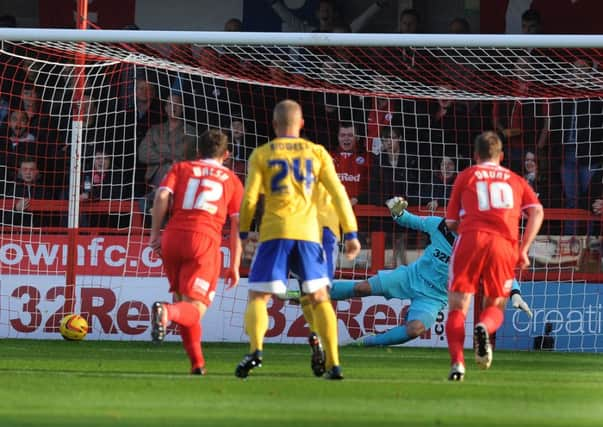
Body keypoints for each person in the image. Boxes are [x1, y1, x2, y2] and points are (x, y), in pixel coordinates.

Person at [235, 99, 361, 380]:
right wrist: (351, 232)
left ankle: (255, 350)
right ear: (302, 124)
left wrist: (243, 233)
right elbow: (340, 194)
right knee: (320, 298)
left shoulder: (262, 154)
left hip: (275, 232)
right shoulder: (317, 153)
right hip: (309, 233)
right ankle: (334, 364)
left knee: (258, 295)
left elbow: (250, 199)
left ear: (274, 124)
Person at [330, 197, 533, 347]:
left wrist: (515, 294)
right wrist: (397, 210)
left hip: (435, 297)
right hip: (410, 277)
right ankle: (314, 292)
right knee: (362, 287)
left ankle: (363, 344)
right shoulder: (440, 225)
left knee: (415, 329)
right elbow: (409, 220)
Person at [445, 131, 544, 381]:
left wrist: (469, 230)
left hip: (471, 239)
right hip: (504, 244)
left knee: (458, 305)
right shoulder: (516, 179)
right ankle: (484, 328)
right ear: (501, 156)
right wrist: (523, 248)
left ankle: (458, 364)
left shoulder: (466, 176)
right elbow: (537, 211)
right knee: (495, 305)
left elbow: (451, 222)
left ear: (476, 155)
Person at [149, 129, 244, 375]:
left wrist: (155, 233)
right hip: (204, 240)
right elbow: (237, 225)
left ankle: (197, 364)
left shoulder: (181, 168)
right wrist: (234, 264)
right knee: (195, 308)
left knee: (185, 304)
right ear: (226, 154)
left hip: (173, 236)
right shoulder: (231, 179)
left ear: (198, 152)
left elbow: (161, 195)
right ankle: (165, 312)